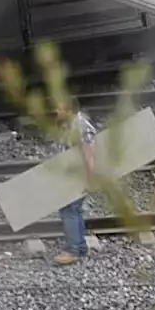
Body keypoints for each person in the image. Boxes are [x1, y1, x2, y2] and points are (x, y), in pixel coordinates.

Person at [54, 98, 97, 266]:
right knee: (74, 210)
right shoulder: (70, 123)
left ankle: (72, 250)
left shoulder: (81, 126)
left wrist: (90, 178)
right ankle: (79, 247)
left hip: (77, 175)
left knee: (69, 210)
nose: (57, 111)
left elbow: (89, 153)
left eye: (60, 108)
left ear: (70, 110)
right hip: (69, 174)